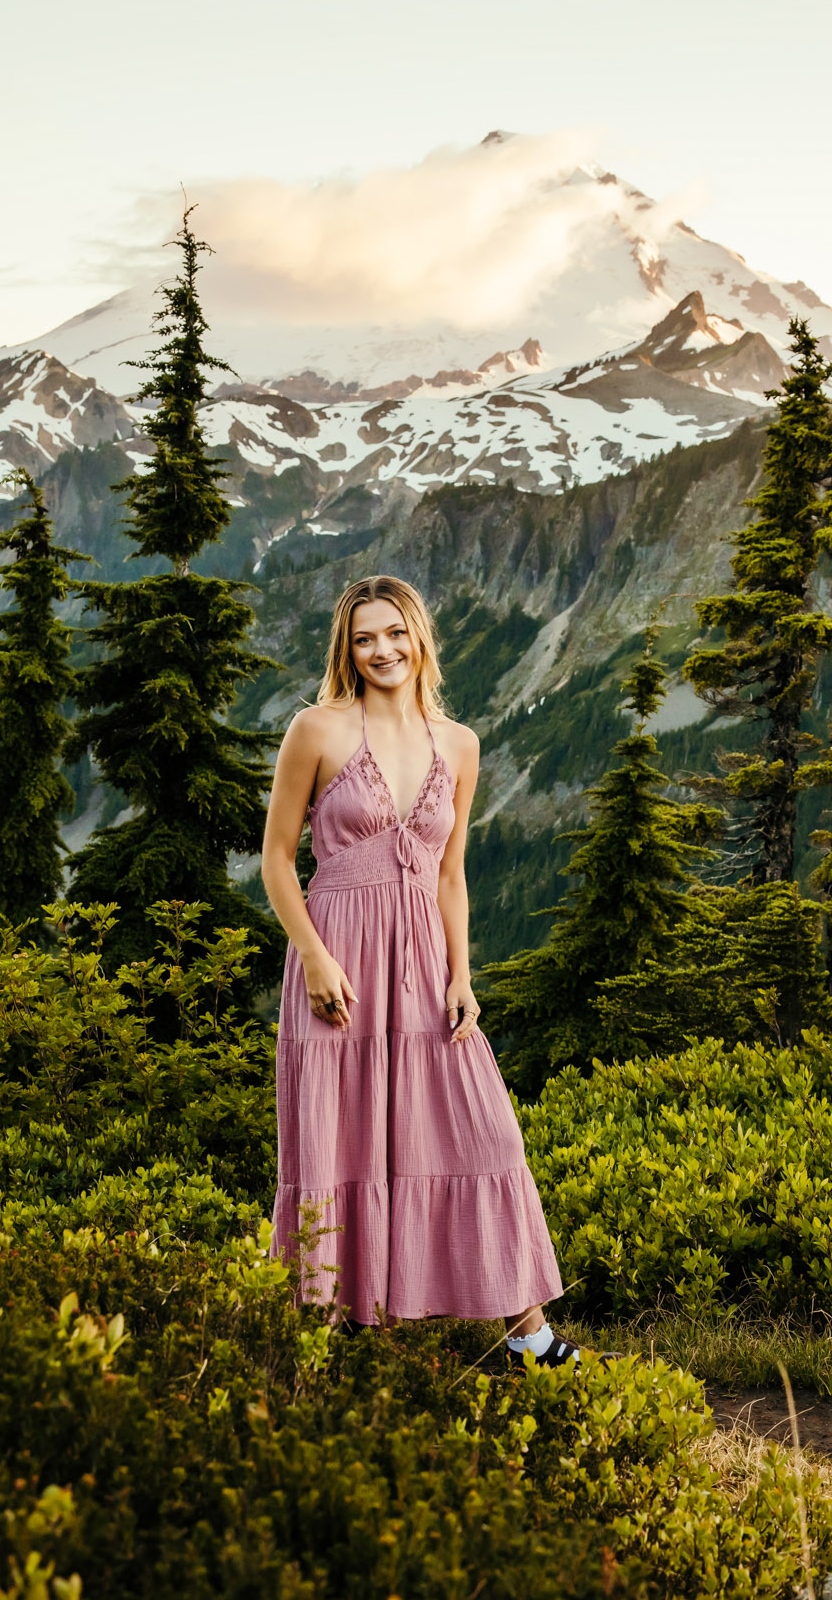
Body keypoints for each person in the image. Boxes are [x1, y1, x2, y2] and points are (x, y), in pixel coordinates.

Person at [259, 574, 583, 1368]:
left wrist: (462, 974)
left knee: (481, 1133)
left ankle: (528, 1331)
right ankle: (339, 1337)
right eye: (366, 637)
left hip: (425, 965)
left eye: (395, 633)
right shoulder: (318, 729)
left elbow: (449, 872)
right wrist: (312, 957)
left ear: (420, 637)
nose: (382, 650)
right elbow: (274, 859)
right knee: (341, 1147)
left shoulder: (461, 744)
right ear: (348, 646)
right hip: (337, 963)